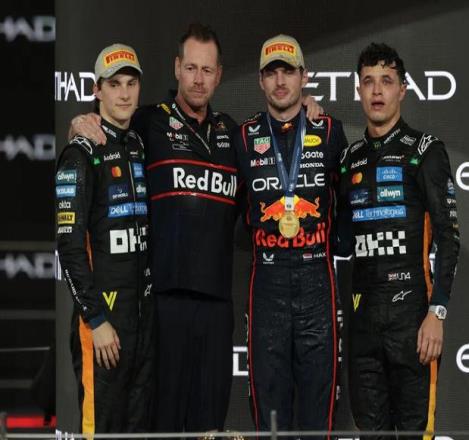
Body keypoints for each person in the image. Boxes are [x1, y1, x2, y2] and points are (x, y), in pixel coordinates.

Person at [69, 24, 323, 433]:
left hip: (217, 306)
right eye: (191, 68)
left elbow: (278, 144)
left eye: (207, 70)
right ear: (177, 68)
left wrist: (307, 108)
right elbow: (106, 127)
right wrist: (80, 122)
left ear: (219, 74)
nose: (198, 79)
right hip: (163, 304)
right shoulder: (148, 122)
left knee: (209, 425)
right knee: (163, 422)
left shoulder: (234, 134)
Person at [337, 43, 460, 439]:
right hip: (363, 324)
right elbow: (341, 242)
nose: (377, 91)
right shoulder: (349, 159)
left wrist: (437, 313)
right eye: (368, 81)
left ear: (402, 90)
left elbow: (449, 238)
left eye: (386, 81)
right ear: (358, 89)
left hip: (413, 323)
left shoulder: (425, 151)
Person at [233, 34, 348, 435]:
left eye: (288, 72)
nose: (280, 81)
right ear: (260, 81)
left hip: (317, 279)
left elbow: (349, 205)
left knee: (319, 414)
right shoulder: (243, 137)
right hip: (266, 283)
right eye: (271, 73)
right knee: (270, 415)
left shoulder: (330, 131)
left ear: (304, 76)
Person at [56, 43, 153, 434]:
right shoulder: (79, 153)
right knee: (101, 430)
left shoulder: (138, 144)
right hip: (103, 325)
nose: (124, 94)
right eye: (114, 85)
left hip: (142, 321)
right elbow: (69, 247)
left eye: (131, 83)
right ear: (97, 90)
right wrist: (95, 318)